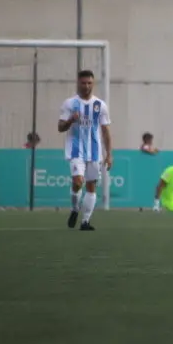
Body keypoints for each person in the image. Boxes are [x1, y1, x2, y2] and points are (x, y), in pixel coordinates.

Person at [57, 70, 113, 231]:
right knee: (77, 182)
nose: (86, 86)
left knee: (91, 186)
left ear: (93, 84)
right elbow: (60, 127)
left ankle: (85, 221)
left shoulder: (100, 105)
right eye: (83, 83)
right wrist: (70, 120)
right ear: (78, 83)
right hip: (76, 151)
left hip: (94, 152)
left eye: (89, 83)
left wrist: (109, 154)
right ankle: (75, 208)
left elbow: (106, 131)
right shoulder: (69, 103)